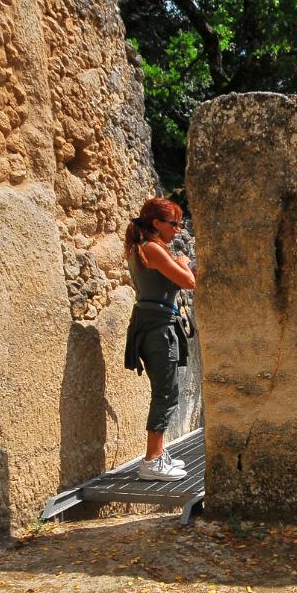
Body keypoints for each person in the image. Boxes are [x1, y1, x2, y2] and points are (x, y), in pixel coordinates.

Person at [122, 197, 196, 481]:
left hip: (154, 324)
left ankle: (158, 453)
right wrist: (183, 262)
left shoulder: (146, 248)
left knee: (166, 391)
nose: (178, 229)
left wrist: (182, 265)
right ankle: (152, 460)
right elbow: (188, 282)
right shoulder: (152, 248)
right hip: (158, 329)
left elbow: (175, 278)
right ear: (157, 223)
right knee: (165, 393)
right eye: (173, 223)